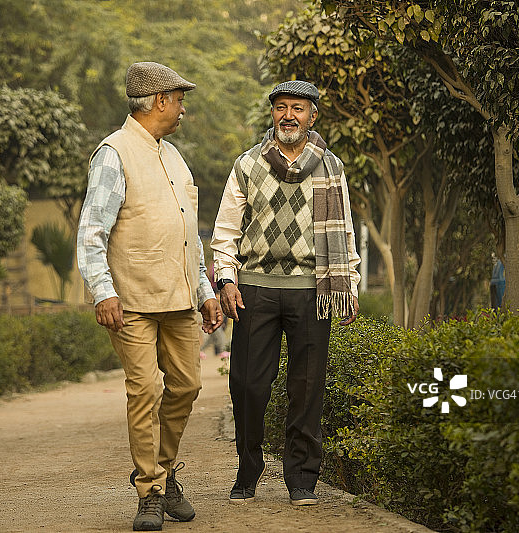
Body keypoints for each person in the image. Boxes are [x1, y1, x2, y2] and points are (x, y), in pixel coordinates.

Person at [77, 61, 223, 532]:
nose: (183, 109)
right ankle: (151, 491)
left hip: (179, 299)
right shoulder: (113, 154)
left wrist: (204, 289)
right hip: (132, 302)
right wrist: (102, 291)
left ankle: (163, 469)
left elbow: (189, 235)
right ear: (159, 101)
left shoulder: (175, 157)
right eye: (179, 100)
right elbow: (92, 231)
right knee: (145, 390)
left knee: (187, 387)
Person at [210, 80, 361, 507]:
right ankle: (248, 468)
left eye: (297, 107)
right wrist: (226, 280)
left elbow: (345, 230)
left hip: (312, 290)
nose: (288, 115)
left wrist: (348, 283)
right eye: (281, 107)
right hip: (254, 288)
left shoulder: (332, 167)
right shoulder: (247, 164)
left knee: (306, 388)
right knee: (247, 385)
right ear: (272, 113)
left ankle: (301, 478)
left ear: (313, 116)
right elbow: (226, 230)